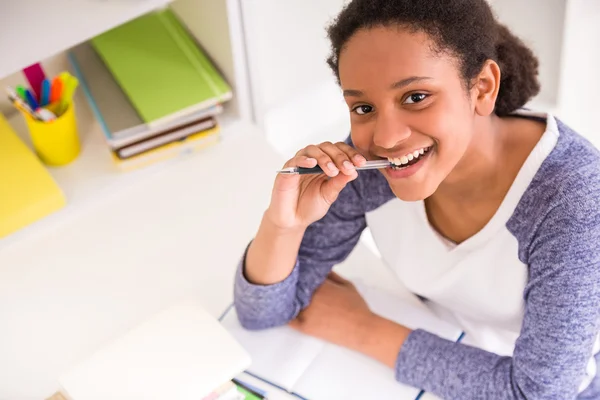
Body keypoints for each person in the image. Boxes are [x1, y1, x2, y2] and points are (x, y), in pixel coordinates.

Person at [232, 0, 600, 398]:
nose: (386, 138)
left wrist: (363, 328)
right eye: (364, 107)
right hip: (442, 345)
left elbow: (540, 392)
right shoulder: (370, 167)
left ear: (482, 87)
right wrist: (285, 224)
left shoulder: (575, 205)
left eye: (415, 97)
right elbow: (262, 312)